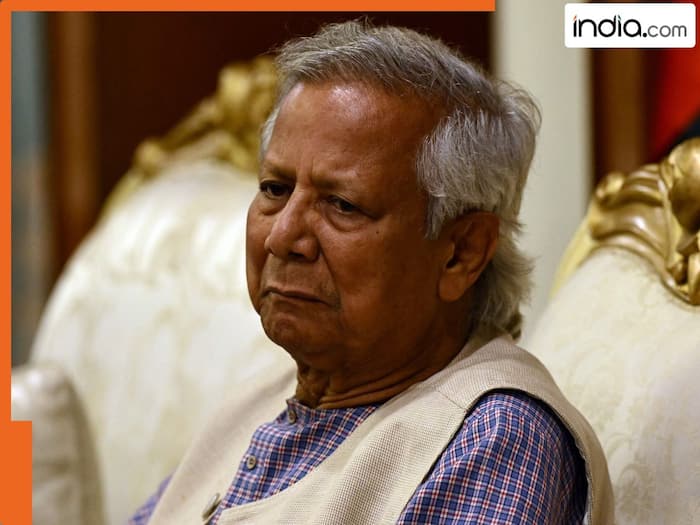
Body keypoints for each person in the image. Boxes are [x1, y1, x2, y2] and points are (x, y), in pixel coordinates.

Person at [129, 20, 613, 524]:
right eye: (274, 189)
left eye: (342, 205)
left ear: (461, 253)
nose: (282, 237)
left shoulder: (494, 439)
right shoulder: (261, 398)